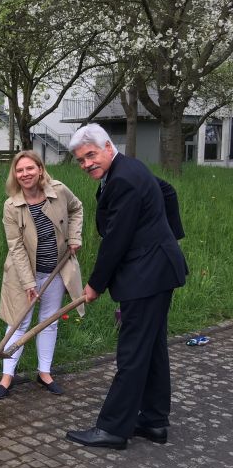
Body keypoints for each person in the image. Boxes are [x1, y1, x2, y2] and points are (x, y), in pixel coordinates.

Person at [65, 123, 187, 450]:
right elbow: (167, 192)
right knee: (153, 349)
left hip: (146, 275)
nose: (87, 163)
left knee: (132, 352)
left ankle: (113, 429)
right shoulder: (130, 167)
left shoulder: (123, 179)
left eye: (91, 155)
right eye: (80, 159)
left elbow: (116, 240)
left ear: (107, 147)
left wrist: (95, 284)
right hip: (155, 268)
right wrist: (165, 239)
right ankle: (154, 422)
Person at [0, 150, 84, 399]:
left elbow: (77, 208)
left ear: (40, 169)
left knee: (49, 322)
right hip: (23, 274)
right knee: (18, 323)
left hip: (56, 270)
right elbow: (16, 247)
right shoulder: (11, 206)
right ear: (15, 175)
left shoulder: (59, 191)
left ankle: (44, 373)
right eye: (19, 170)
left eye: (30, 168)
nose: (25, 174)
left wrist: (75, 237)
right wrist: (29, 282)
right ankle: (6, 376)